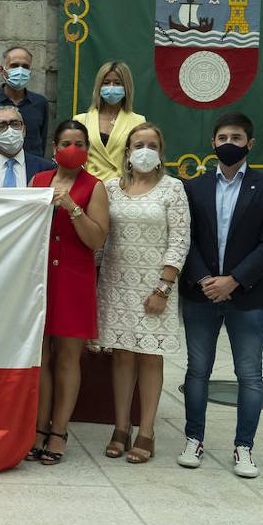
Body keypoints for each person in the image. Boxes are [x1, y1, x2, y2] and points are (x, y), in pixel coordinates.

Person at [178, 112, 263, 479]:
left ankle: (244, 446)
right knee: (197, 371)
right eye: (222, 136)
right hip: (201, 293)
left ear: (249, 144)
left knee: (250, 375)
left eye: (237, 137)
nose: (229, 143)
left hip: (248, 297)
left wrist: (234, 280)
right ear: (212, 142)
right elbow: (184, 238)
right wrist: (206, 278)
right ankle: (194, 439)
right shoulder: (194, 188)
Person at [97, 123, 190, 464]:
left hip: (155, 286)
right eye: (139, 144)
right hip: (116, 282)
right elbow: (101, 236)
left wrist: (163, 287)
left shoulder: (172, 189)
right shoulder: (110, 189)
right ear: (127, 152)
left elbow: (180, 239)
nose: (145, 150)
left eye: (152, 144)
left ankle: (146, 431)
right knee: (121, 355)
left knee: (150, 357)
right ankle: (121, 427)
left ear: (160, 151)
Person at [27, 120, 109, 465]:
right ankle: (38, 427)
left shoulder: (96, 187)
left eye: (79, 142)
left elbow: (96, 239)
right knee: (41, 356)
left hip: (74, 279)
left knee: (67, 358)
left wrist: (72, 208)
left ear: (87, 150)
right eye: (66, 142)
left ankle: (59, 430)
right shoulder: (38, 181)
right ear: (54, 148)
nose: (72, 148)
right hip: (40, 277)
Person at [73, 60, 146, 181]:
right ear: (99, 87)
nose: (111, 87)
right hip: (89, 187)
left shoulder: (138, 121)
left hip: (122, 188)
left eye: (117, 83)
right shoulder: (80, 120)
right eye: (106, 83)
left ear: (126, 87)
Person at [0, 45, 48, 157]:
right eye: (14, 65)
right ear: (2, 70)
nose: (20, 70)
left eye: (25, 66)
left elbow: (42, 142)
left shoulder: (40, 103)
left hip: (32, 171)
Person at [0, 104, 55, 188]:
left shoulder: (46, 168)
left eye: (15, 124)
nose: (10, 130)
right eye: (1, 126)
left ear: (24, 130)